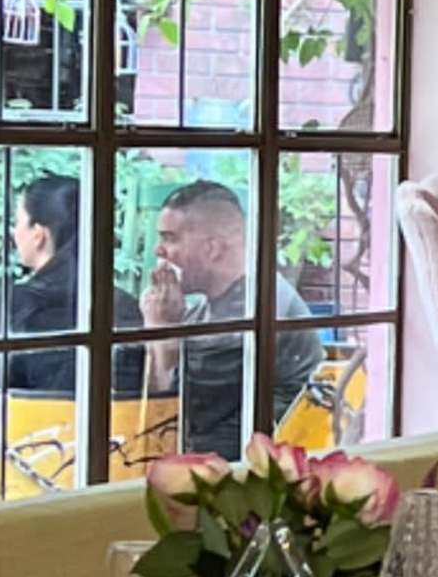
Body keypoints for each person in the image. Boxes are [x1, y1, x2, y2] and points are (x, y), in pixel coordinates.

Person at [115, 174, 316, 463]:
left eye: (170, 239)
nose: (158, 251)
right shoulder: (207, 309)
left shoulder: (252, 312)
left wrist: (162, 330)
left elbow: (178, 417)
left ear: (213, 249)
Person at [0, 171, 85, 403]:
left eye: (17, 222)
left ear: (38, 235)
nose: (13, 232)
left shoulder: (9, 305)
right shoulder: (121, 303)